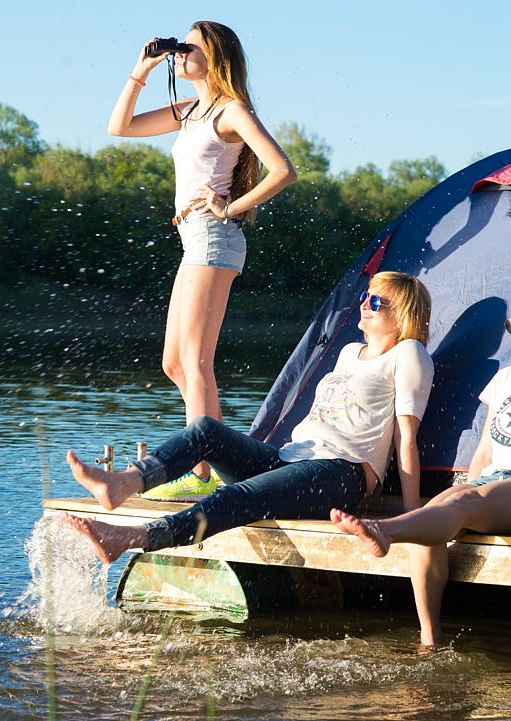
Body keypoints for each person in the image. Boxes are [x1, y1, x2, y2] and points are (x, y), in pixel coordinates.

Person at [64, 272, 434, 565]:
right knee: (206, 430)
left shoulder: (409, 354)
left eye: (376, 301)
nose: (364, 304)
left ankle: (130, 537)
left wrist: (411, 515)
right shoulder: (350, 352)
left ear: (402, 316)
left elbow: (405, 438)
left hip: (340, 474)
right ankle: (125, 482)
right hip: (292, 458)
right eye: (365, 296)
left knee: (234, 497)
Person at [331, 280, 511, 647]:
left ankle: (385, 530)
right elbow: (486, 449)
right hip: (490, 482)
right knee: (434, 514)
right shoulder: (505, 378)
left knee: (452, 507)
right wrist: (469, 488)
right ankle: (430, 638)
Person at [109, 20, 297, 485]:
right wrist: (141, 68)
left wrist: (231, 206)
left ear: (215, 57)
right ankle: (220, 462)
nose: (179, 53)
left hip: (214, 236)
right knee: (174, 363)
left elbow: (282, 170)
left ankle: (200, 471)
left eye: (188, 47)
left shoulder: (231, 111)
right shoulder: (189, 110)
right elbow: (121, 127)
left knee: (194, 362)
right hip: (194, 240)